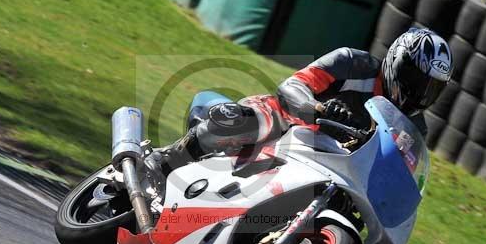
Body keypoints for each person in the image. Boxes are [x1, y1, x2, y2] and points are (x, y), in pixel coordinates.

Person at [169, 27, 454, 163]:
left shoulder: (414, 128)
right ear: (397, 62)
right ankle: (165, 163)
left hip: (327, 163)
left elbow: (396, 173)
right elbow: (292, 86)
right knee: (248, 122)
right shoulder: (351, 64)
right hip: (285, 125)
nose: (419, 92)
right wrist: (318, 108)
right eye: (416, 80)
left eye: (431, 87)